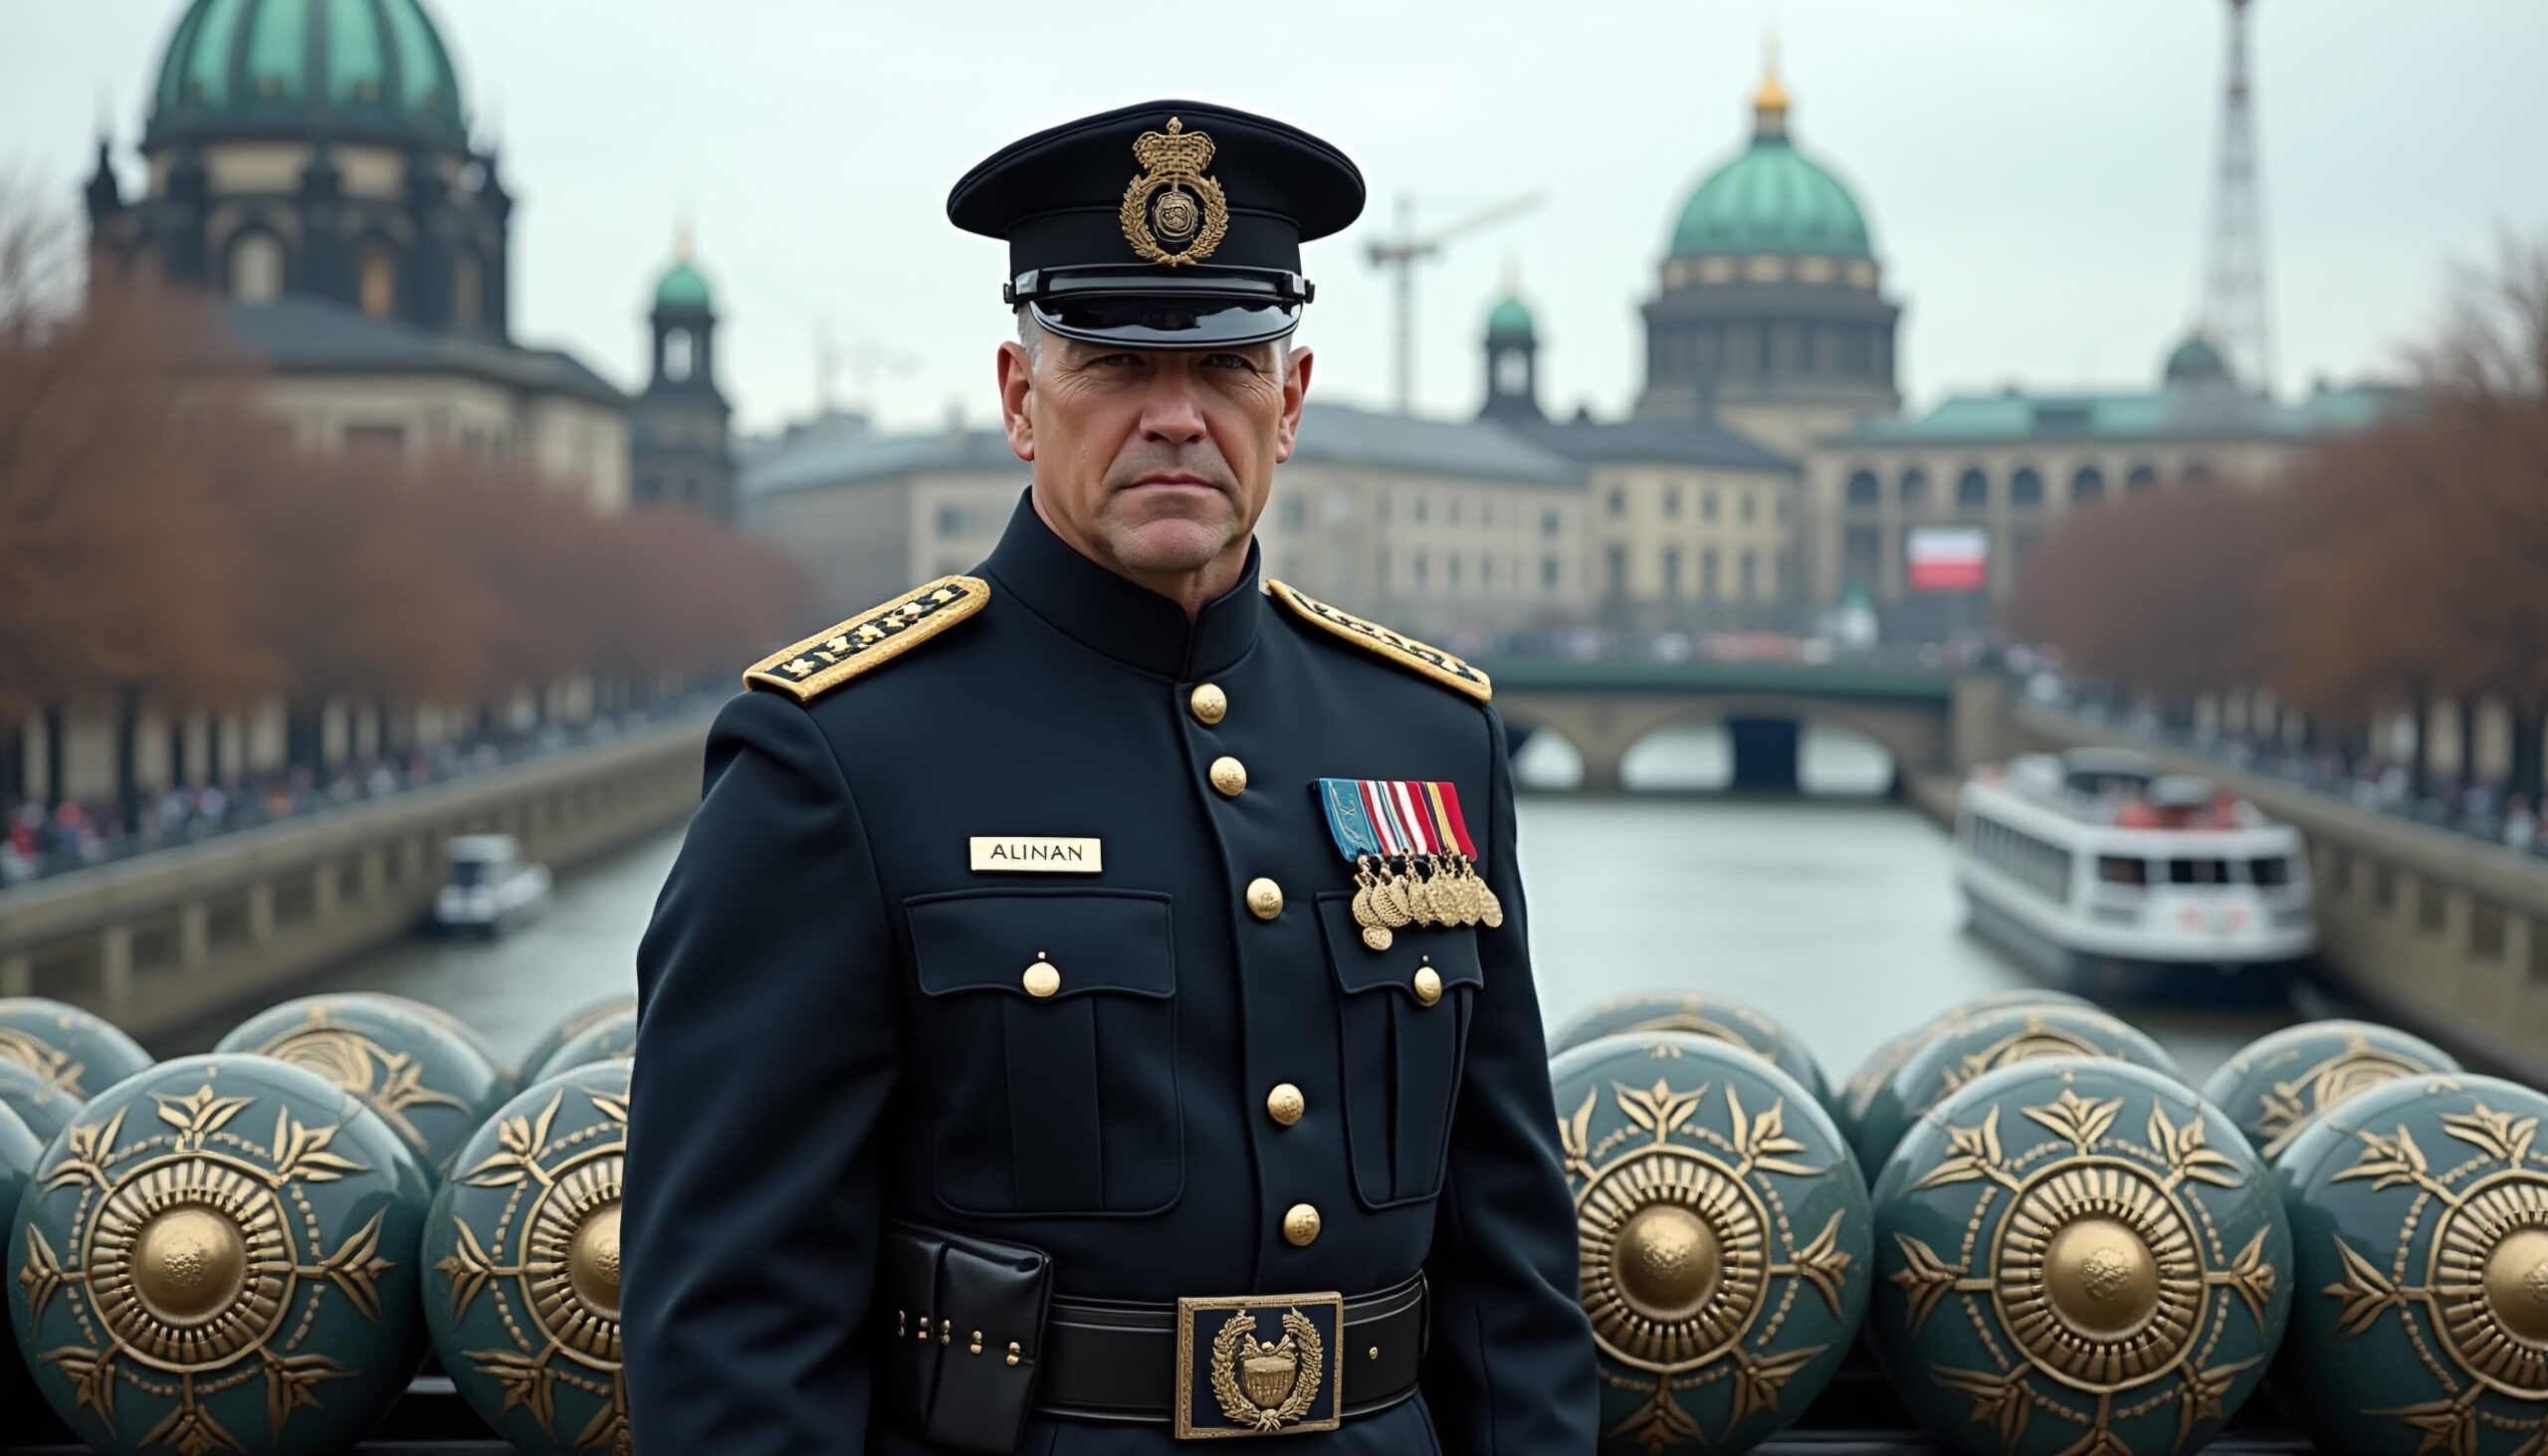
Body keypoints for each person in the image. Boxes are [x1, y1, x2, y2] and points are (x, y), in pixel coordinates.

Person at [623, 100, 1595, 1454]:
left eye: (1226, 368)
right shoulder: (840, 752)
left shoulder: (1429, 737)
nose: (1178, 419)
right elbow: (732, 1324)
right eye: (1116, 365)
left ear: (1291, 401)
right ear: (1024, 401)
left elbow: (1510, 1266)